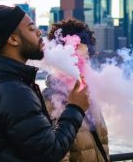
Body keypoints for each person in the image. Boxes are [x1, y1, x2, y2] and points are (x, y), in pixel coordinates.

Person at [0, 5, 89, 162]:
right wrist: (76, 108)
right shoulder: (14, 92)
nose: (39, 32)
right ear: (13, 40)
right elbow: (50, 152)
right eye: (31, 28)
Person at [43, 18, 109, 162]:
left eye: (87, 56)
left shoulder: (89, 97)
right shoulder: (51, 102)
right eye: (79, 56)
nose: (85, 61)